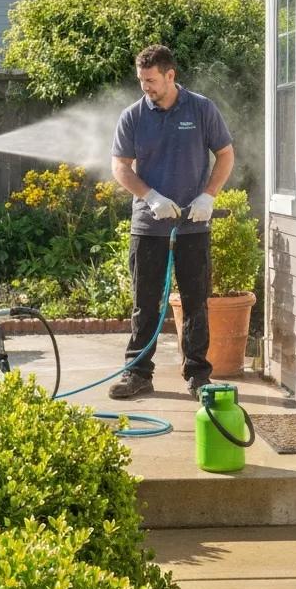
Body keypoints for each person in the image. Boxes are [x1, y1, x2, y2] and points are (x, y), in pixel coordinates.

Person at [108, 44, 235, 400]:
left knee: (196, 302)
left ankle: (197, 375)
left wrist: (209, 195)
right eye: (141, 81)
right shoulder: (133, 116)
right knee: (145, 303)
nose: (145, 87)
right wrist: (151, 197)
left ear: (170, 76)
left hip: (193, 226)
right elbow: (120, 165)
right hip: (149, 227)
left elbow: (225, 155)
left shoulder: (201, 108)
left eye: (150, 81)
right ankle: (138, 374)